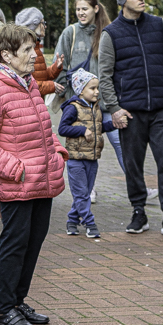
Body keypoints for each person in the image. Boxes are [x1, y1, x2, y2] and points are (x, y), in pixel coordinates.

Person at [0, 24, 68, 325]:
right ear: (6, 54)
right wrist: (17, 170)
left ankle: (17, 300)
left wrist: (56, 152)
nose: (34, 55)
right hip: (19, 182)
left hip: (42, 179)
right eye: (28, 50)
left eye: (33, 48)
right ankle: (4, 310)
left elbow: (42, 127)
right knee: (16, 244)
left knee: (33, 241)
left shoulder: (26, 82)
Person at [99, 0, 163, 238]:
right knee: (133, 163)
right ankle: (139, 211)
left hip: (161, 109)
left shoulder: (159, 25)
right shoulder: (110, 34)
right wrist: (114, 108)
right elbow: (104, 76)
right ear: (123, 1)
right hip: (131, 112)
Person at [55, 0, 124, 203]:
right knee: (84, 147)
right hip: (81, 105)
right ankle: (88, 190)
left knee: (120, 142)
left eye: (84, 8)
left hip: (104, 102)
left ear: (95, 8)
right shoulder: (71, 32)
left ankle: (136, 183)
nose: (80, 13)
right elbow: (60, 64)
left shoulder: (107, 33)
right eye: (78, 9)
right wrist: (63, 91)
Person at [58, 68, 115, 238]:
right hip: (76, 159)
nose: (97, 92)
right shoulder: (73, 107)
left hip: (92, 158)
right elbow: (62, 129)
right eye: (92, 88)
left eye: (97, 88)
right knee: (81, 194)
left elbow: (98, 128)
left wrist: (114, 124)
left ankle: (72, 220)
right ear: (80, 89)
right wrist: (82, 130)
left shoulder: (95, 107)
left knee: (85, 193)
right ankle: (90, 223)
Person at [14, 7, 63, 99]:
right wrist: (52, 86)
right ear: (34, 25)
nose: (45, 26)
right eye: (43, 23)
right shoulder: (26, 50)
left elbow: (41, 76)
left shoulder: (35, 47)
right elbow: (27, 84)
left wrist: (56, 67)